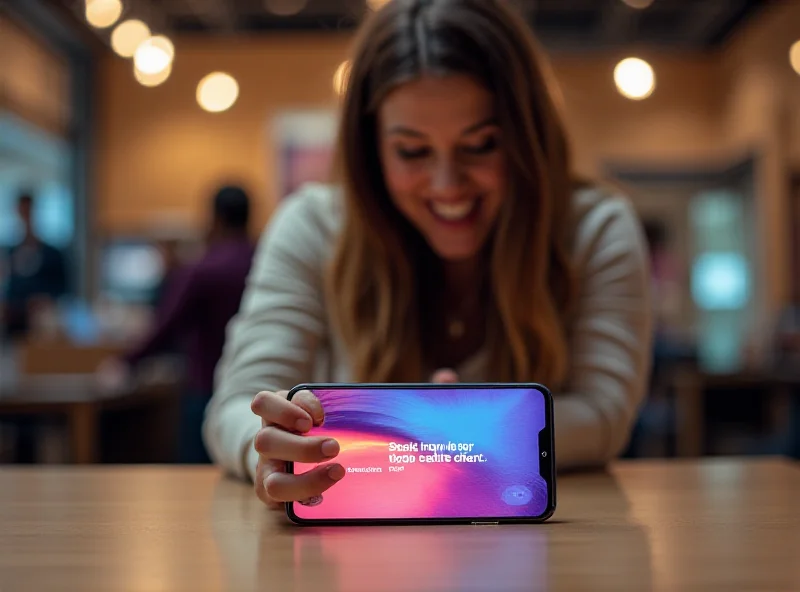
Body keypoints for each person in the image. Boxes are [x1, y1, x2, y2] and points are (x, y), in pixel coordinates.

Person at [204, 0, 652, 508]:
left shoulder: (595, 228)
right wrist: (268, 452)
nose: (448, 185)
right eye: (412, 151)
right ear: (371, 149)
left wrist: (435, 434)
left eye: (481, 145)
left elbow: (606, 414)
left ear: (527, 140)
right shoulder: (312, 224)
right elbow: (236, 407)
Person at [99, 185, 256, 463]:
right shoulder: (265, 263)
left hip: (207, 388)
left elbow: (166, 326)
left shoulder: (202, 269)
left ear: (215, 218)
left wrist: (126, 362)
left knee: (194, 480)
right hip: (258, 390)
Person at [1, 192, 68, 340]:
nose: (25, 218)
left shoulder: (53, 254)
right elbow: (9, 287)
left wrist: (45, 299)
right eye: (21, 212)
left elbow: (64, 288)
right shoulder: (11, 253)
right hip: (15, 324)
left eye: (28, 212)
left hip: (43, 324)